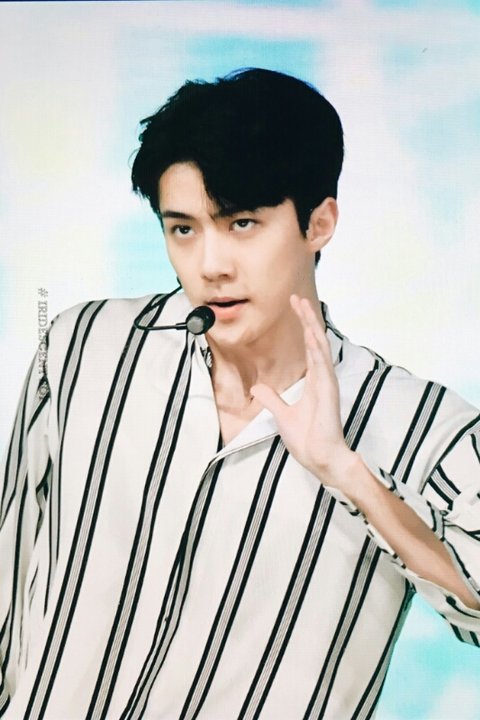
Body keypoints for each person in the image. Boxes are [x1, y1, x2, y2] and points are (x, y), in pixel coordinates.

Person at [1, 68, 479, 720]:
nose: (211, 265)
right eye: (183, 229)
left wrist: (349, 474)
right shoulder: (83, 349)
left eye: (243, 223)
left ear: (319, 223)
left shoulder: (422, 426)